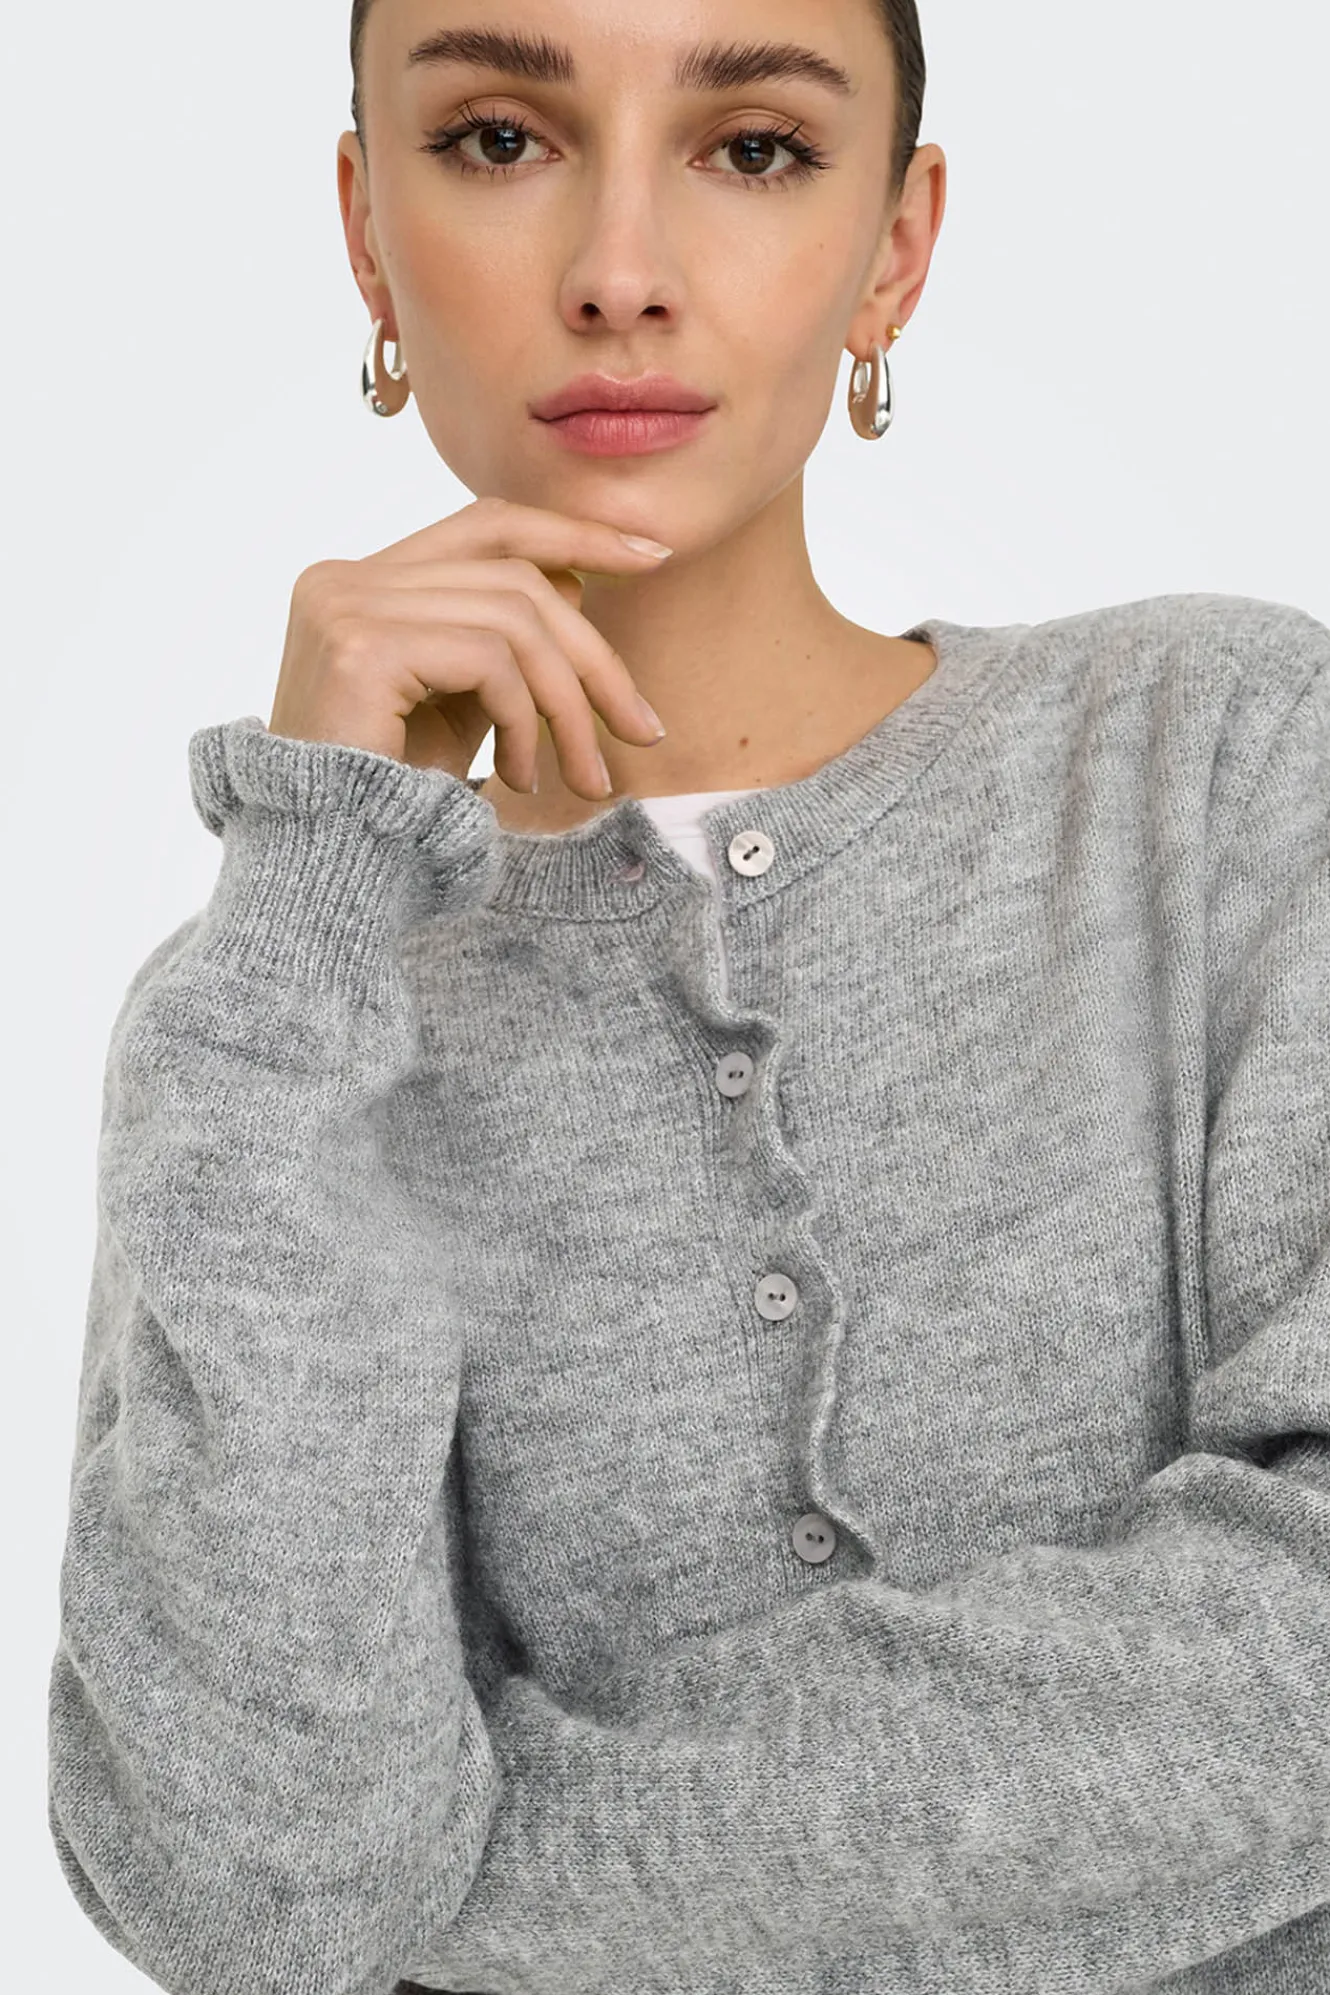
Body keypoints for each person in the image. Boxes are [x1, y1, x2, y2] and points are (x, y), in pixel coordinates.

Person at [47, 2, 1330, 1993]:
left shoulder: (1222, 761)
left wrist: (472, 1878)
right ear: (367, 234)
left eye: (751, 148)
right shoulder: (282, 1015)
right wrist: (310, 870)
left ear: (892, 247)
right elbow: (257, 1890)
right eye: (498, 139)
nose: (618, 273)